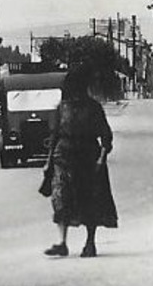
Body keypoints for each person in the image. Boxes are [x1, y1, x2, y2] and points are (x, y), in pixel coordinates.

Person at [39, 67, 116, 258]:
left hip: (86, 158)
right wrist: (49, 162)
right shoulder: (63, 107)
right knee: (61, 199)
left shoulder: (92, 108)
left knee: (88, 200)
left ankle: (89, 243)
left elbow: (105, 136)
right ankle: (63, 243)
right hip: (65, 158)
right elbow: (55, 135)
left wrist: (101, 158)